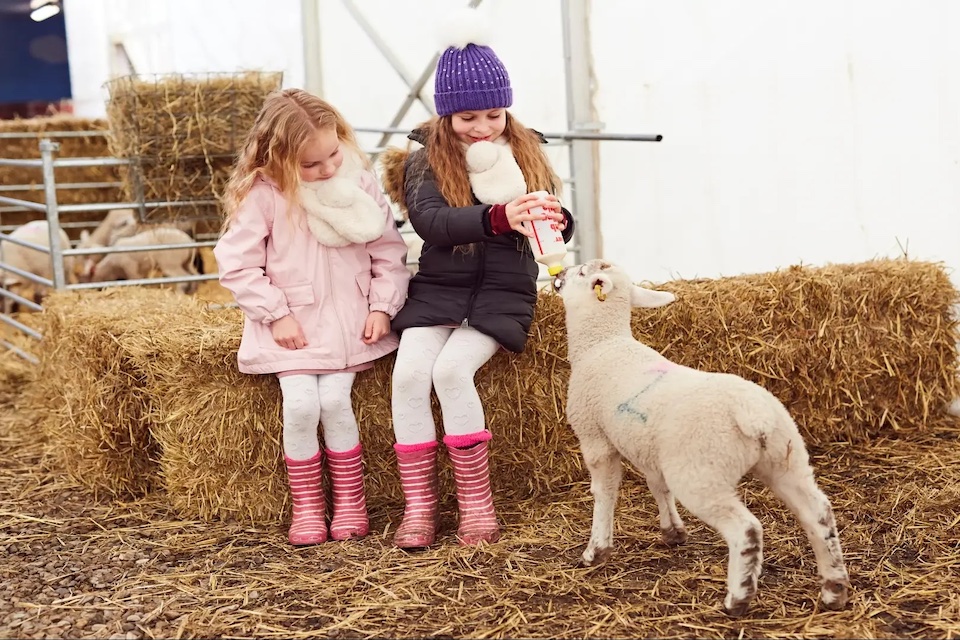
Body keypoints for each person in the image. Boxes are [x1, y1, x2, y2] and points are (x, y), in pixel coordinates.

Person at [379, 33, 576, 548]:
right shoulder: (424, 160)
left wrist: (558, 220)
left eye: (493, 114)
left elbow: (548, 213)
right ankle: (420, 509)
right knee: (409, 376)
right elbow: (431, 222)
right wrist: (496, 216)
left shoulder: (528, 151)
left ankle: (476, 506)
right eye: (468, 119)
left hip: (502, 293)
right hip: (439, 290)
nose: (483, 127)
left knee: (451, 370)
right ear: (446, 117)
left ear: (506, 109)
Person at [214, 89, 410, 546]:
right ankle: (307, 507)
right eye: (310, 164)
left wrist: (382, 305)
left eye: (333, 155)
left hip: (350, 326)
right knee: (301, 406)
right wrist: (275, 314)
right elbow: (238, 263)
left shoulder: (358, 185)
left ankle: (350, 503)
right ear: (276, 157)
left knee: (337, 404)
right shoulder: (264, 196)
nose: (326, 169)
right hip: (294, 331)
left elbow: (388, 252)